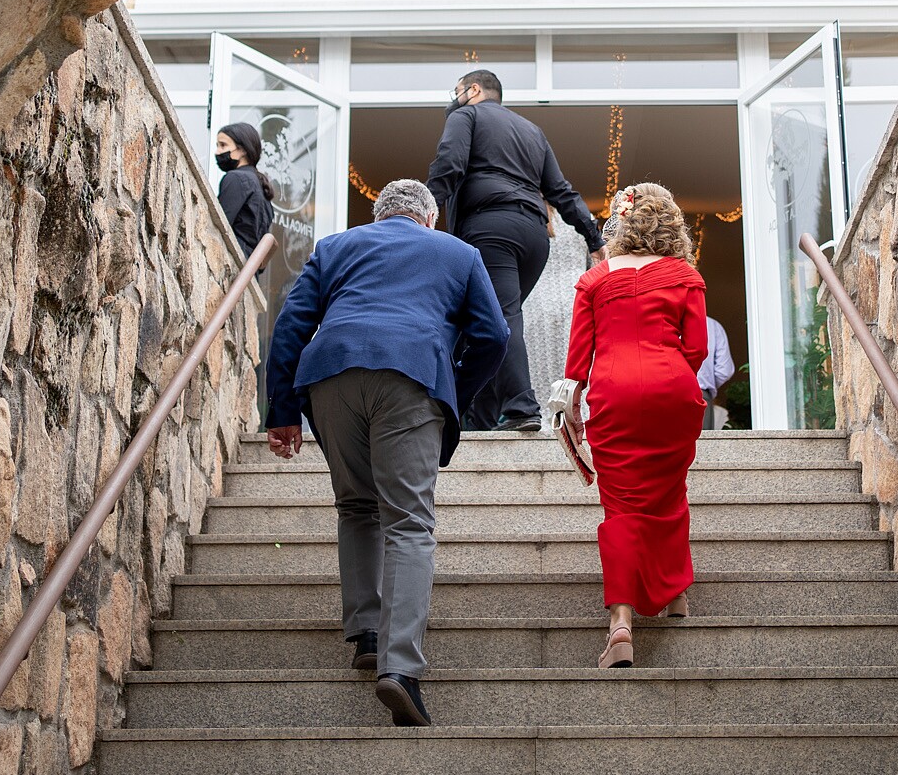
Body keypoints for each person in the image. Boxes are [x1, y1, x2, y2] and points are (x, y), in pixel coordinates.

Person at [263, 179, 509, 727]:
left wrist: (281, 411)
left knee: (356, 506)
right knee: (409, 523)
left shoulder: (335, 246)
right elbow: (493, 336)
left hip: (331, 375)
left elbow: (291, 326)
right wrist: (453, 394)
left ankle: (367, 635)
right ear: (430, 218)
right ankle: (400, 671)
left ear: (380, 217)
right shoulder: (459, 253)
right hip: (412, 375)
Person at [563, 183, 708, 668]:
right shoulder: (685, 276)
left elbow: (577, 362)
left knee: (622, 505)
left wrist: (573, 408)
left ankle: (621, 623)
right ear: (670, 224)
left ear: (623, 225)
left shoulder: (596, 279)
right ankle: (677, 595)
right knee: (669, 491)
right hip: (673, 388)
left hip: (614, 392)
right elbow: (697, 349)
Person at [427, 69, 604, 432]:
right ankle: (481, 418)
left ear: (473, 90)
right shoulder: (532, 132)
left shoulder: (466, 115)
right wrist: (593, 237)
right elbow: (561, 191)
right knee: (488, 319)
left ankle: (522, 405)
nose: (453, 98)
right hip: (533, 238)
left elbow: (450, 163)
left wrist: (420, 214)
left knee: (500, 318)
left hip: (491, 228)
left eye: (456, 91)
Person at [214, 122, 274, 257]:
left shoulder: (236, 178)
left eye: (223, 145)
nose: (217, 151)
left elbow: (220, 225)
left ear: (243, 150)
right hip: (249, 267)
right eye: (217, 145)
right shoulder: (260, 185)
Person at [695, 315, 735, 430]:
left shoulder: (657, 322)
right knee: (702, 446)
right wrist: (706, 384)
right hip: (700, 395)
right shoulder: (712, 325)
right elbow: (725, 370)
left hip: (663, 394)